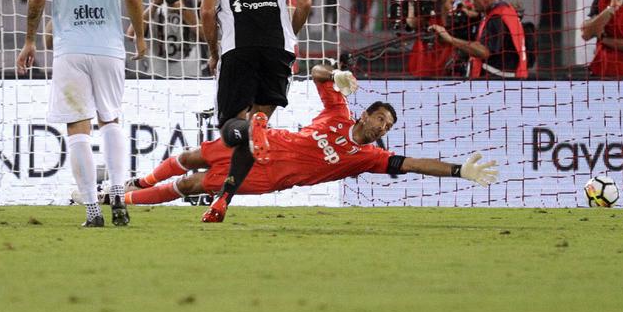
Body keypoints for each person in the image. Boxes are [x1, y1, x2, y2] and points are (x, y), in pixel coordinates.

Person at [111, 64, 499, 209]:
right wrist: (338, 74)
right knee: (194, 154)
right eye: (380, 118)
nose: (382, 127)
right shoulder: (337, 111)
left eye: (388, 126)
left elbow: (411, 164)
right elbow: (316, 72)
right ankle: (139, 181)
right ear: (365, 113)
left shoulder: (369, 158)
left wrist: (458, 170)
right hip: (266, 140)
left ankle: (123, 199)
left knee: (192, 183)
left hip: (270, 177)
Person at [16, 0, 146, 228]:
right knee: (111, 119)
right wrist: (140, 36)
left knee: (78, 128)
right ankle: (118, 192)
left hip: (70, 47)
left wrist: (30, 39)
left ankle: (92, 210)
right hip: (108, 46)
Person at [198, 0, 313, 222]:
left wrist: (213, 51)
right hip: (278, 48)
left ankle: (250, 132)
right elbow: (304, 3)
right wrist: (290, 34)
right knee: (256, 128)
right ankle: (222, 200)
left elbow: (207, 12)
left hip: (238, 46)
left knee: (230, 129)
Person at [429, 0, 528, 79]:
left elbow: (484, 51)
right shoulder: (501, 11)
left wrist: (450, 39)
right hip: (510, 80)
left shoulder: (496, 17)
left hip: (499, 84)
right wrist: (446, 1)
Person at [405, 0, 474, 77]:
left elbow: (452, 23)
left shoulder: (468, 8)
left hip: (454, 74)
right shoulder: (420, 2)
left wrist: (444, 1)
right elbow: (412, 23)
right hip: (422, 73)